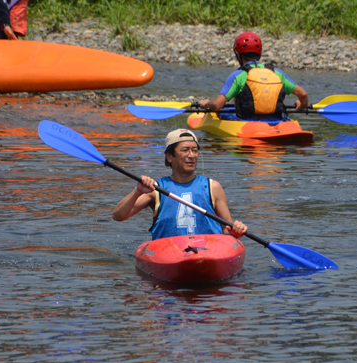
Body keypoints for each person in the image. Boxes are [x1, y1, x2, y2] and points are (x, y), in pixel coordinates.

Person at [113, 129, 247, 240]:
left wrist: (236, 231)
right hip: (170, 253)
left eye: (195, 150)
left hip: (209, 252)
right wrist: (137, 192)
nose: (192, 155)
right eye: (185, 150)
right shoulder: (156, 189)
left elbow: (227, 232)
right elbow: (118, 216)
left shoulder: (213, 187)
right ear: (169, 156)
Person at [199, 31, 309, 120]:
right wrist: (302, 105)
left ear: (238, 55)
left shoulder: (238, 76)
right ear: (260, 54)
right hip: (277, 123)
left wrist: (207, 103)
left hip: (247, 125)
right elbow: (303, 94)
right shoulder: (277, 73)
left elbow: (216, 105)